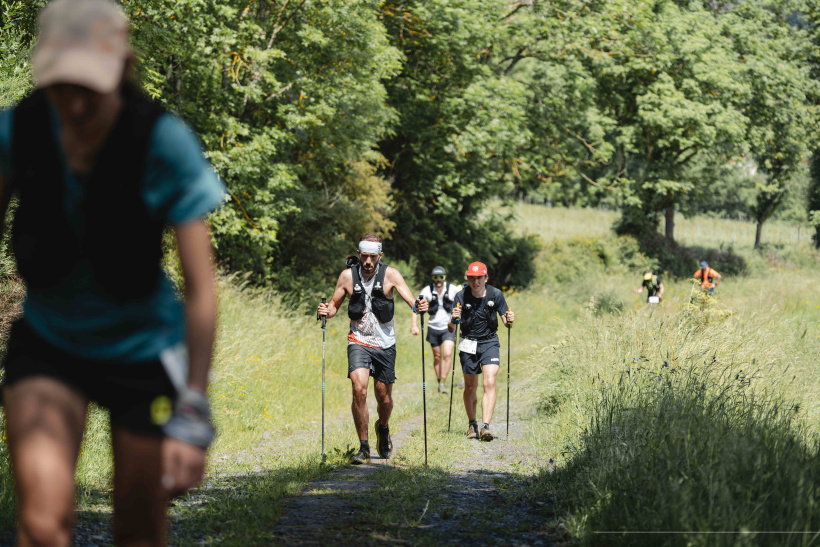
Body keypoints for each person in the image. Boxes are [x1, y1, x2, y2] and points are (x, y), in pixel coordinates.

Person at [0, 1, 226, 544]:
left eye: (90, 87)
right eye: (61, 86)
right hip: (49, 342)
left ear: (121, 70)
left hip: (144, 350)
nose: (75, 105)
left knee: (140, 523)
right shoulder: (19, 132)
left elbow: (200, 290)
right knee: (41, 522)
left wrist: (193, 405)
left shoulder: (162, 141)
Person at [317, 235, 427, 465]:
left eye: (372, 257)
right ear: (358, 253)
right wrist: (326, 311)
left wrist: (421, 306)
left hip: (385, 344)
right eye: (364, 256)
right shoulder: (347, 276)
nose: (367, 261)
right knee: (359, 389)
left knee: (384, 398)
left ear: (380, 256)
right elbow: (335, 306)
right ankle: (364, 447)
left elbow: (412, 302)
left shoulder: (391, 275)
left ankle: (383, 428)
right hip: (357, 341)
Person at [448, 262, 514, 442]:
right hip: (468, 343)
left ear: (486, 278)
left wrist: (510, 319)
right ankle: (472, 424)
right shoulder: (460, 296)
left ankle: (485, 427)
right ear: (467, 278)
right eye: (472, 278)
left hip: (489, 342)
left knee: (490, 381)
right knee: (470, 386)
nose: (475, 281)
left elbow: (506, 323)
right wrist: (454, 319)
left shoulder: (496, 294)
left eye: (479, 278)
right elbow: (450, 328)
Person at [411, 266, 462, 394]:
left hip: (449, 328)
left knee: (448, 354)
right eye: (436, 277)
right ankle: (440, 381)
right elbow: (415, 307)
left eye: (441, 277)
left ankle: (443, 383)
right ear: (432, 278)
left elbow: (463, 305)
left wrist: (462, 325)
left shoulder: (453, 289)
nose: (438, 280)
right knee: (437, 357)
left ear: (445, 277)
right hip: (433, 327)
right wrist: (414, 325)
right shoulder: (427, 290)